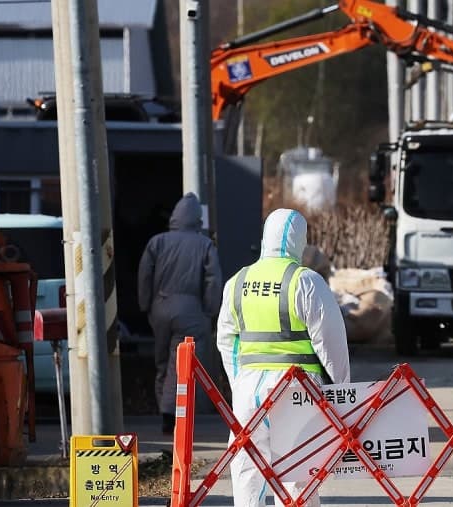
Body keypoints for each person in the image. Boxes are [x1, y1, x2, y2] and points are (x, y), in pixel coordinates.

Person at [217, 208, 350, 507]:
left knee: (248, 468)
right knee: (297, 472)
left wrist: (238, 381)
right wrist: (342, 393)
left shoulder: (237, 282)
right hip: (297, 391)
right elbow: (331, 343)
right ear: (298, 240)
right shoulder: (305, 281)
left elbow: (226, 341)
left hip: (248, 391)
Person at [137, 192, 222, 434]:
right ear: (198, 220)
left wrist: (146, 304)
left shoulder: (157, 242)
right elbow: (213, 280)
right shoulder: (204, 245)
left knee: (163, 360)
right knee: (181, 364)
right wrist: (209, 311)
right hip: (191, 311)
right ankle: (172, 414)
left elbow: (145, 275)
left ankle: (164, 409)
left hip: (159, 308)